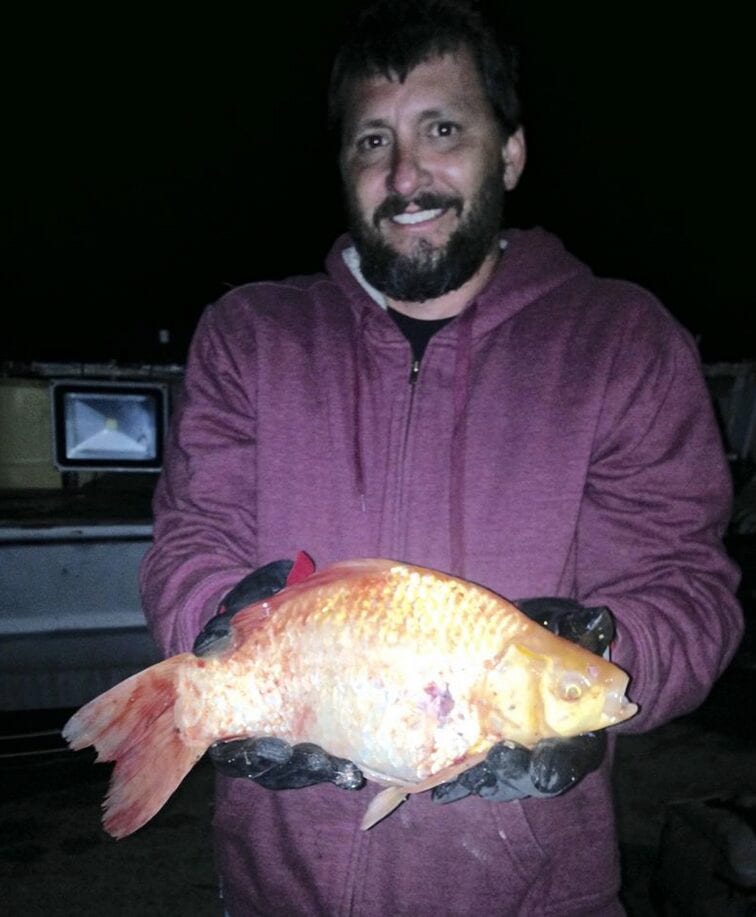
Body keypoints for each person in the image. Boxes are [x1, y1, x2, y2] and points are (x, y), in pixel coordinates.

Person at [139, 1, 743, 913]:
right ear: (345, 168)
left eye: (444, 129)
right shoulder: (250, 335)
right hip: (276, 890)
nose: (406, 172)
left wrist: (602, 657)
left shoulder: (622, 342)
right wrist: (231, 635)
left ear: (510, 152)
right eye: (372, 142)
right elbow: (188, 544)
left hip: (536, 894)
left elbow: (691, 589)